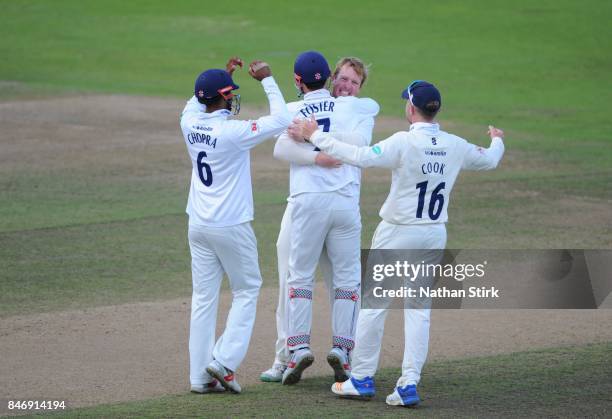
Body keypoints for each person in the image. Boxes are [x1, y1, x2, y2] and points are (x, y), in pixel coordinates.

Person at [288, 80, 505, 406]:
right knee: (419, 312)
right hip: (433, 233)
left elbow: (359, 156)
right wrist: (498, 140)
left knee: (374, 307)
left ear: (411, 108)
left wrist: (315, 136)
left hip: (397, 232)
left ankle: (360, 379)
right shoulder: (455, 144)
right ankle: (408, 384)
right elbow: (489, 160)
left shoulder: (403, 142)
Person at [260, 57, 375, 383]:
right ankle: (290, 355)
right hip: (315, 206)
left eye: (354, 82)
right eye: (343, 79)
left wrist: (314, 134)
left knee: (322, 278)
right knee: (302, 276)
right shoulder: (316, 109)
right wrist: (319, 152)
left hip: (325, 205)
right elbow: (281, 149)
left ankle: (315, 350)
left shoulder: (357, 110)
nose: (347, 86)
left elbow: (360, 142)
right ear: (330, 78)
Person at [180, 57, 291, 394]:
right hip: (230, 225)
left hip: (198, 224)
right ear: (224, 97)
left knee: (204, 298)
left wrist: (219, 79)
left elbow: (194, 101)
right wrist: (268, 80)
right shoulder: (234, 133)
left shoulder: (188, 122)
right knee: (247, 289)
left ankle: (199, 377)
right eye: (229, 94)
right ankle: (224, 360)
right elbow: (282, 119)